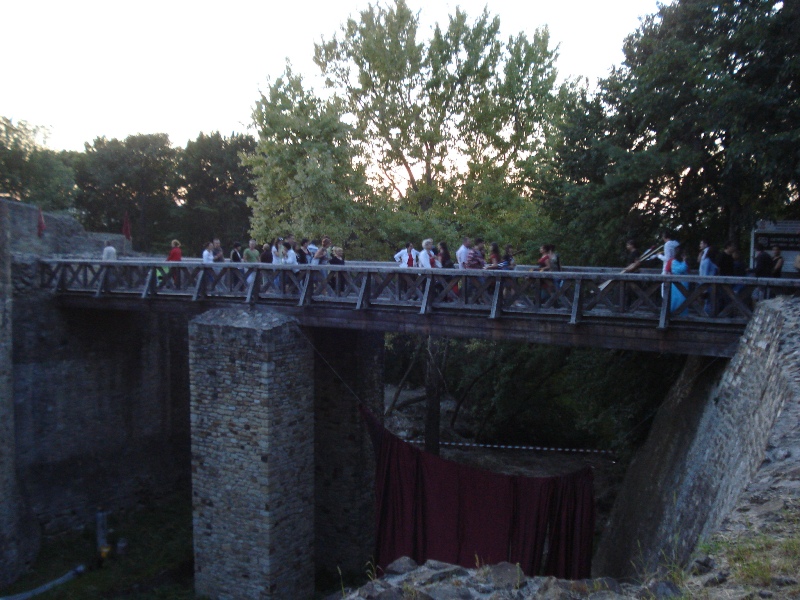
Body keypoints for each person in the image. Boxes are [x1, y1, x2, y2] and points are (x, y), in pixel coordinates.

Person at [669, 246, 689, 315]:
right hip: (677, 285)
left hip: (684, 283)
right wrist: (684, 261)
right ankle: (675, 314)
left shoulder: (682, 262)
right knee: (677, 299)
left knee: (684, 300)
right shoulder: (674, 262)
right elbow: (681, 269)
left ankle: (683, 315)